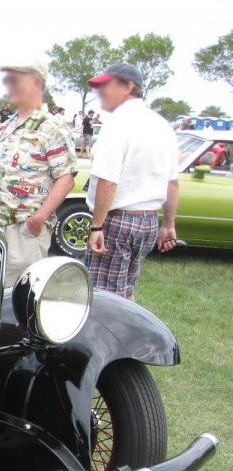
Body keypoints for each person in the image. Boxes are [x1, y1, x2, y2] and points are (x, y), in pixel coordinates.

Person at [83, 63, 179, 300]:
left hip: (118, 221)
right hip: (147, 220)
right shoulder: (162, 126)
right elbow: (172, 182)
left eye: (107, 85)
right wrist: (168, 225)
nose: (101, 92)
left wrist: (97, 226)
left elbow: (107, 180)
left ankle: (108, 338)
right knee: (126, 293)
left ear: (128, 86)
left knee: (102, 298)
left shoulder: (118, 124)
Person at [0, 59, 77, 284]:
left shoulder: (52, 127)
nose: (10, 86)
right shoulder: (8, 125)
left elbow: (65, 178)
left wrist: (37, 219)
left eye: (16, 80)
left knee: (19, 297)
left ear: (36, 82)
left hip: (23, 231)